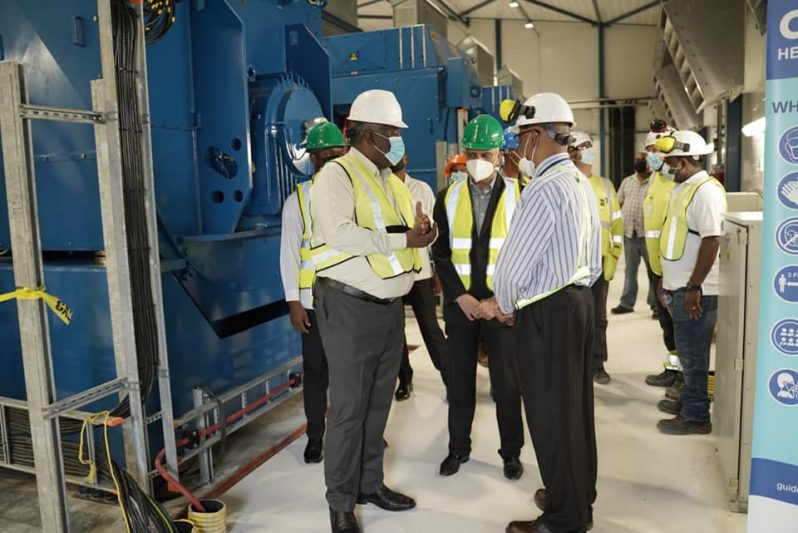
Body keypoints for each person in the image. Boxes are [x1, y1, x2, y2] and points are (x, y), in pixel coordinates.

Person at [310, 89, 436, 533]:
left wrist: (427, 231)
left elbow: (412, 233)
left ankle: (369, 483)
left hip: (387, 310)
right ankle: (340, 504)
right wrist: (406, 240)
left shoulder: (390, 182)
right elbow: (341, 234)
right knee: (347, 409)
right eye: (391, 133)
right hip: (349, 307)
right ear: (368, 135)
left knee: (378, 404)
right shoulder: (337, 176)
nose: (397, 140)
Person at [481, 92, 601, 533]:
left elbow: (514, 264)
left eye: (520, 139)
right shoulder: (579, 182)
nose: (517, 149)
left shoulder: (544, 189)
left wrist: (505, 304)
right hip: (578, 303)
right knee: (573, 410)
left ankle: (564, 519)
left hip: (548, 314)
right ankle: (576, 496)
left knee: (550, 416)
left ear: (534, 136)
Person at [431, 114, 525, 481]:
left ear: (501, 155)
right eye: (470, 153)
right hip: (463, 308)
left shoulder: (521, 194)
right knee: (460, 383)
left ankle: (511, 453)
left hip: (502, 307)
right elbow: (440, 253)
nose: (476, 160)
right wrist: (461, 298)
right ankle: (458, 448)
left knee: (507, 386)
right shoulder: (448, 197)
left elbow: (525, 254)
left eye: (484, 153)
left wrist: (502, 301)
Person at [279, 121, 346, 464]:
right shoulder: (298, 201)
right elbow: (289, 253)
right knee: (317, 372)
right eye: (323, 158)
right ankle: (315, 437)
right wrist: (294, 303)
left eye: (336, 156)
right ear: (313, 160)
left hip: (351, 303)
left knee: (351, 372)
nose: (330, 163)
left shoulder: (354, 196)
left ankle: (358, 431)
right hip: (314, 304)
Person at [653, 130, 726, 436]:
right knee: (687, 352)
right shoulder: (684, 187)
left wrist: (694, 286)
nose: (665, 167)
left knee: (694, 354)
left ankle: (696, 415)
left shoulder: (706, 191)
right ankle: (689, 401)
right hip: (678, 287)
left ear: (682, 161)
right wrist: (666, 281)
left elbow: (712, 240)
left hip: (697, 291)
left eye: (669, 162)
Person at [392, 154, 449, 401]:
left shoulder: (421, 189)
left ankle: (450, 376)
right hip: (391, 273)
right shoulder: (379, 190)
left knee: (431, 329)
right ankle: (404, 377)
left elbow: (435, 234)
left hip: (420, 272)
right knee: (395, 333)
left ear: (405, 157)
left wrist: (435, 271)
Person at [569, 132, 623, 385]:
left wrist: (614, 254)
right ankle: (574, 364)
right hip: (573, 264)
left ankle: (597, 363)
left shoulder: (605, 185)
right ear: (573, 152)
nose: (590, 150)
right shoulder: (567, 183)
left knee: (598, 317)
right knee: (573, 316)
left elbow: (616, 223)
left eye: (590, 146)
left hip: (600, 262)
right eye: (584, 146)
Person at [641, 123, 683, 391]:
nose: (651, 154)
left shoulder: (676, 179)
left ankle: (683, 378)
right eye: (649, 150)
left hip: (672, 266)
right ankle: (672, 369)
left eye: (657, 150)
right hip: (657, 265)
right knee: (667, 323)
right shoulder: (657, 178)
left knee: (680, 326)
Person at [612, 153, 657, 316]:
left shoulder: (653, 183)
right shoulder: (627, 181)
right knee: (630, 271)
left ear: (649, 164)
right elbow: (619, 202)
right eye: (637, 160)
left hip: (647, 235)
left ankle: (656, 306)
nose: (639, 162)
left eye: (642, 160)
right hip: (630, 233)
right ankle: (626, 303)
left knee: (653, 272)